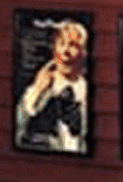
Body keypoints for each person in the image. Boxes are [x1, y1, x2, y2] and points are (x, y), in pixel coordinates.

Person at [16, 20, 88, 153]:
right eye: (61, 44)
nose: (65, 51)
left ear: (83, 52)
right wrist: (38, 90)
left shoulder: (86, 89)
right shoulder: (42, 84)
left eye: (72, 45)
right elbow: (18, 126)